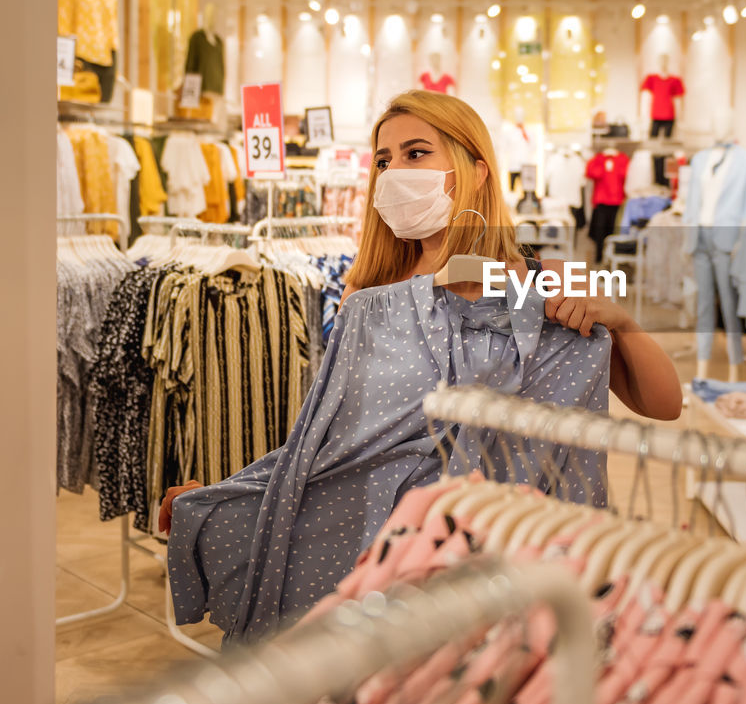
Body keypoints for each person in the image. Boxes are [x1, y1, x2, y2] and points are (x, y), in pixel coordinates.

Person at [159, 90, 682, 532]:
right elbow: (336, 446)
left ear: (475, 171)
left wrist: (624, 323)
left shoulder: (543, 283)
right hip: (397, 553)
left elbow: (663, 405)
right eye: (384, 160)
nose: (393, 173)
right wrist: (232, 497)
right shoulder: (368, 299)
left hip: (526, 549)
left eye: (415, 154)